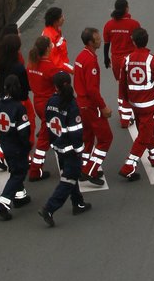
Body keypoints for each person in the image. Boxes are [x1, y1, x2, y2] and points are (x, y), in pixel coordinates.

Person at [38, 72, 91, 225]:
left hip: (58, 147)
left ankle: (78, 203)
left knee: (70, 175)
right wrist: (80, 150)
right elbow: (76, 132)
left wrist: (54, 143)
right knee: (69, 179)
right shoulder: (71, 104)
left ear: (55, 86)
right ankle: (49, 208)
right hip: (71, 150)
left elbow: (48, 125)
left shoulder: (50, 102)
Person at [118, 29, 154, 181]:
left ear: (133, 42)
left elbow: (122, 83)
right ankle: (129, 166)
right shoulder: (152, 60)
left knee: (145, 130)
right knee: (144, 135)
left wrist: (124, 101)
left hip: (134, 103)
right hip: (148, 104)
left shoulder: (126, 60)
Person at [72, 27, 112, 186]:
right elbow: (92, 89)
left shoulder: (80, 57)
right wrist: (103, 107)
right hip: (90, 106)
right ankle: (90, 170)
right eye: (97, 38)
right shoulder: (91, 60)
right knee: (105, 139)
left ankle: (85, 165)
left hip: (81, 104)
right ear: (90, 42)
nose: (100, 39)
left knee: (87, 138)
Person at [0, 75, 31, 221]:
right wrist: (26, 146)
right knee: (19, 173)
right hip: (17, 146)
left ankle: (20, 197)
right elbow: (23, 132)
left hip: (5, 145)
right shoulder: (19, 107)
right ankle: (3, 202)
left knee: (15, 170)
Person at [102, 0, 142, 125]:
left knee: (121, 86)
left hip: (116, 61)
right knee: (133, 86)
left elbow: (106, 44)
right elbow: (139, 42)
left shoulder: (109, 25)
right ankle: (133, 113)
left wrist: (106, 58)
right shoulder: (134, 24)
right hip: (131, 60)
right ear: (126, 8)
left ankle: (124, 116)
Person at [26, 36, 59, 181]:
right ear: (47, 49)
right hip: (49, 104)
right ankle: (35, 169)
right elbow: (59, 82)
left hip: (38, 102)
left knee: (52, 131)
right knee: (44, 140)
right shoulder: (48, 66)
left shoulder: (32, 65)